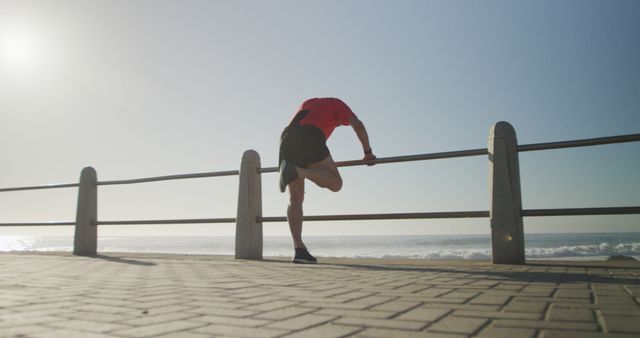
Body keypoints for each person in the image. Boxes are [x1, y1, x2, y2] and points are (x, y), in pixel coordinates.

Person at [279, 97, 376, 264]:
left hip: (286, 139)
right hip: (309, 135)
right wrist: (368, 152)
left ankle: (299, 249)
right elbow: (358, 125)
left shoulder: (309, 103)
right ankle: (298, 171)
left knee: (295, 199)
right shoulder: (337, 104)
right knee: (336, 183)